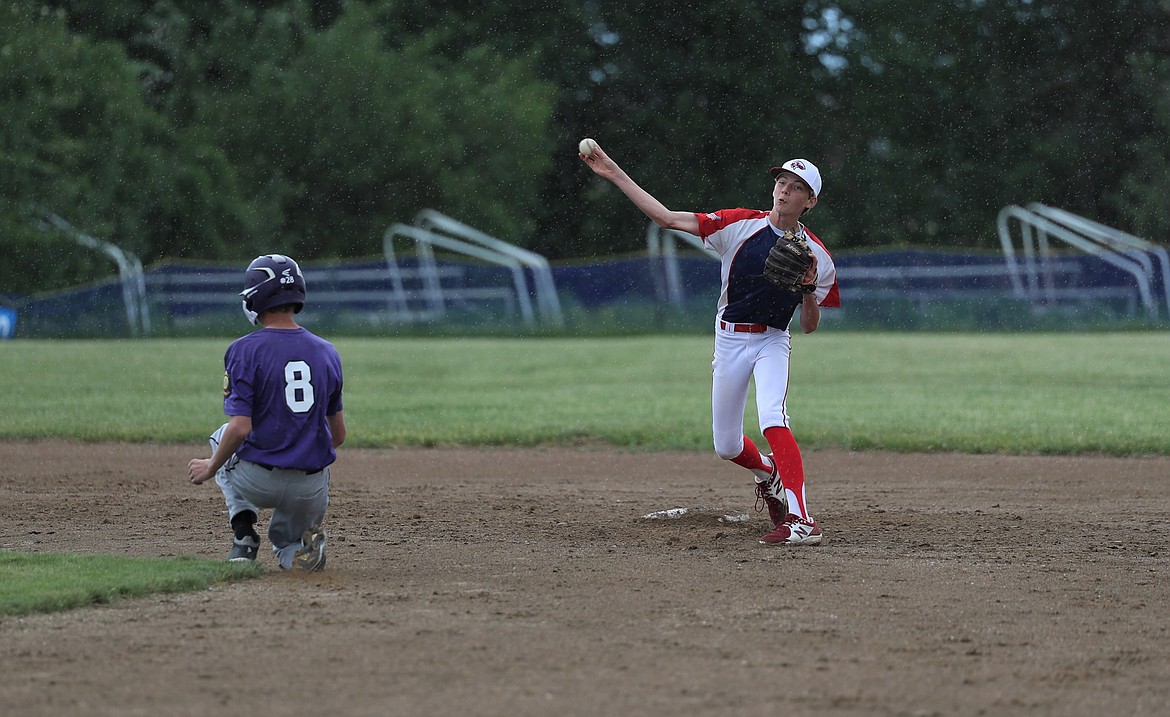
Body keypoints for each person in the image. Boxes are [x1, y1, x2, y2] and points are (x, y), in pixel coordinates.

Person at [580, 144, 839, 545]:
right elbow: (666, 218)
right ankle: (768, 474)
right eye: (782, 182)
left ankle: (802, 520)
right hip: (730, 339)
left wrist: (807, 290)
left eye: (796, 186)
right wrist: (614, 173)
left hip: (773, 340)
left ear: (811, 201)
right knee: (726, 446)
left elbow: (809, 326)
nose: (784, 190)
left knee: (773, 418)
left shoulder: (818, 257)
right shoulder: (737, 225)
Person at [187, 254, 346, 570]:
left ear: (257, 297)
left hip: (257, 481)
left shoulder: (244, 350)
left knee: (223, 436)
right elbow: (338, 437)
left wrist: (209, 467)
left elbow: (241, 428)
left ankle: (243, 534)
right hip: (310, 489)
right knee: (315, 463)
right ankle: (299, 547)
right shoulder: (327, 351)